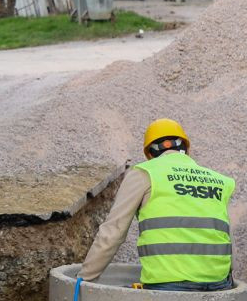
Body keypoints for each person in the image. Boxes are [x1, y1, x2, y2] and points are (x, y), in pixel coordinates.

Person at [78, 119, 235, 291]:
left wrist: (83, 280)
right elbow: (222, 234)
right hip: (220, 284)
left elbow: (114, 232)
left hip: (169, 284)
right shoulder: (219, 180)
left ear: (150, 154)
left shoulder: (145, 173)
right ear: (186, 149)